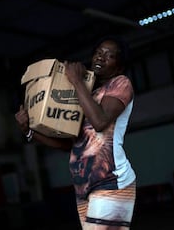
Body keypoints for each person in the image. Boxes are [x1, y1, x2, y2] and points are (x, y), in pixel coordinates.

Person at [15, 35, 136, 229]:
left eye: (109, 55)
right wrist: (29, 131)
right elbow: (69, 144)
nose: (100, 57)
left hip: (110, 181)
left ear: (119, 66)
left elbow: (100, 121)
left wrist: (76, 81)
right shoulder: (87, 95)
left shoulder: (120, 84)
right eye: (98, 53)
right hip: (84, 186)